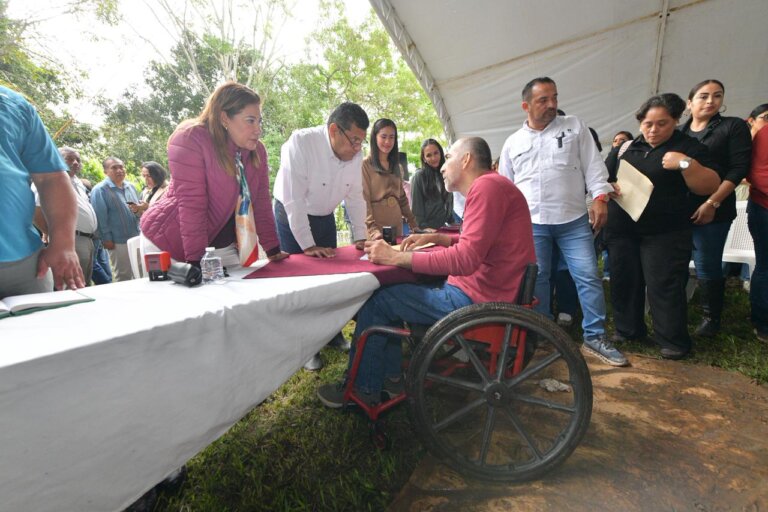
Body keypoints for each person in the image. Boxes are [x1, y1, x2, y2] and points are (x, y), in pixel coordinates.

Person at [317, 137, 536, 407]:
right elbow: (483, 244)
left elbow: (466, 259)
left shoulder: (486, 187)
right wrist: (444, 240)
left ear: (466, 159)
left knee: (378, 299)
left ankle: (363, 389)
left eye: (449, 157)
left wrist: (397, 257)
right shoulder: (495, 184)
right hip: (493, 292)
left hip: (477, 301)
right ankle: (391, 375)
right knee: (393, 291)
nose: (443, 166)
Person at [498, 76, 628, 367]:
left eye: (554, 97)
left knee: (587, 275)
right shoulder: (513, 142)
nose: (552, 104)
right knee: (538, 278)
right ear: (525, 105)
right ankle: (543, 332)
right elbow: (505, 188)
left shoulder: (574, 127)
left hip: (573, 220)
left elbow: (594, 167)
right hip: (531, 223)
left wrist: (600, 198)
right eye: (543, 100)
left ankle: (595, 337)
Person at [604, 93, 720, 359]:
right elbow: (603, 176)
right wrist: (608, 187)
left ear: (676, 121)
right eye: (648, 124)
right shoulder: (625, 148)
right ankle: (628, 330)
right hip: (623, 228)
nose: (653, 130)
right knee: (625, 279)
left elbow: (710, 184)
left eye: (662, 124)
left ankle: (672, 339)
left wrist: (684, 164)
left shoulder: (688, 147)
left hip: (665, 231)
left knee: (663, 284)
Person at [140, 82, 287, 268]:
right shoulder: (190, 139)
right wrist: (195, 262)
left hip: (220, 246)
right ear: (225, 118)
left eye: (259, 121)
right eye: (250, 120)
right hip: (170, 244)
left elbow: (261, 201)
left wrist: (273, 249)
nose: (258, 129)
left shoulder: (257, 151)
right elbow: (191, 204)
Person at [273, 101, 370, 370]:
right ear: (334, 130)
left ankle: (331, 334)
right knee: (300, 284)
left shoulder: (355, 152)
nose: (357, 148)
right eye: (353, 140)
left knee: (329, 281)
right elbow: (293, 201)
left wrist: (360, 235)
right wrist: (308, 245)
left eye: (361, 142)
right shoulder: (301, 143)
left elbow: (355, 197)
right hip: (292, 215)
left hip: (324, 215)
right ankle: (305, 347)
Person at [680, 80, 752, 337]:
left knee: (706, 264)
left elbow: (738, 168)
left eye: (717, 96)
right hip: (678, 210)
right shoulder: (679, 131)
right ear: (689, 103)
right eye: (703, 96)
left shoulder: (732, 127)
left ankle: (711, 320)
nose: (710, 101)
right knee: (675, 261)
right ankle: (675, 313)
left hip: (714, 208)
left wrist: (712, 202)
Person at [0, 85, 84, 296]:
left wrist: (64, 244)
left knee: (51, 328)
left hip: (25, 264)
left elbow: (51, 178)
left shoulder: (15, 104)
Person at [32, 147, 99, 284]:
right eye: (69, 158)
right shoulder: (49, 179)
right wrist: (55, 235)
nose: (75, 162)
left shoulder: (77, 182)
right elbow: (36, 211)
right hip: (70, 240)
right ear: (57, 158)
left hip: (87, 240)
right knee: (71, 284)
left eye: (78, 160)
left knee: (83, 282)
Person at [361, 118, 418, 240]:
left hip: (396, 224)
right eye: (383, 136)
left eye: (392, 137)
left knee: (397, 257)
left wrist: (413, 224)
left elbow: (402, 199)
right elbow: (364, 200)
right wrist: (372, 230)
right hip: (375, 227)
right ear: (374, 137)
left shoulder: (397, 166)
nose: (388, 141)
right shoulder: (365, 165)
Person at [90, 157, 141, 281]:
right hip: (117, 241)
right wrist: (106, 239)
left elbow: (137, 210)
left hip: (137, 237)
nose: (119, 170)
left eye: (121, 167)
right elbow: (101, 217)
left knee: (140, 272)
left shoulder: (131, 187)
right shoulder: (100, 190)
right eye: (114, 167)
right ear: (105, 171)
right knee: (123, 275)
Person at [746, 103, 768, 342]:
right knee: (766, 265)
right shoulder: (764, 135)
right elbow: (757, 173)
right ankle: (763, 323)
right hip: (764, 207)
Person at [410, 139, 454, 229]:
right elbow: (416, 211)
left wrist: (453, 224)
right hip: (427, 231)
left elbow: (449, 205)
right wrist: (425, 229)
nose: (433, 158)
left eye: (436, 153)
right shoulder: (419, 177)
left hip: (446, 229)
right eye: (429, 155)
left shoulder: (446, 173)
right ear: (424, 159)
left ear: (441, 153)